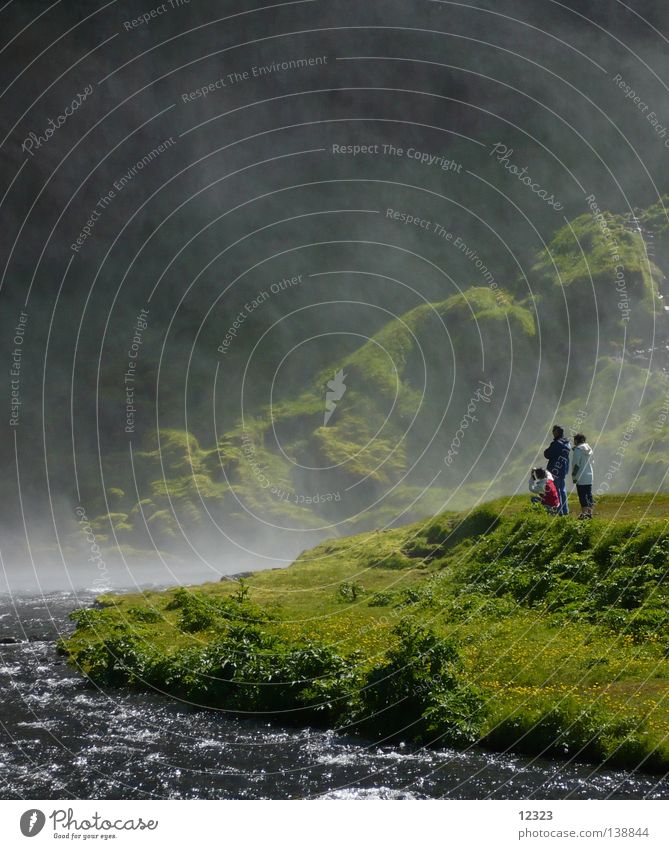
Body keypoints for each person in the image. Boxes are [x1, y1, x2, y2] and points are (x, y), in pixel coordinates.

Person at [543, 425, 571, 515]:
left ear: (557, 432)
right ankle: (565, 510)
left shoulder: (556, 444)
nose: (552, 433)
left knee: (556, 490)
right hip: (563, 469)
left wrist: (546, 451)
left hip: (554, 470)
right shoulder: (567, 443)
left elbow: (547, 454)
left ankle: (559, 511)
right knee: (562, 489)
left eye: (554, 431)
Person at [572, 433, 594, 519]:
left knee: (582, 495)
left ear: (577, 440)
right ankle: (589, 513)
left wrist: (574, 477)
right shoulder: (589, 449)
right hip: (589, 474)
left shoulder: (578, 450)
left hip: (581, 475)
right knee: (589, 494)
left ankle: (584, 514)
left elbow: (576, 465)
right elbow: (592, 462)